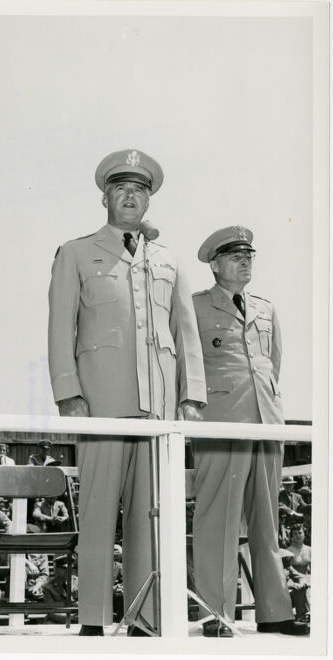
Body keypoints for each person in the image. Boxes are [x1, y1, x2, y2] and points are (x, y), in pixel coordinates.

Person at [48, 149, 206, 636]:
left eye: (139, 190)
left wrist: (192, 397)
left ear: (149, 199)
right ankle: (93, 620)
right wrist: (68, 394)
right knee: (97, 514)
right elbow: (60, 330)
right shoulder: (76, 252)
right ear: (105, 197)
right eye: (121, 189)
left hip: (158, 409)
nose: (130, 197)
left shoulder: (169, 259)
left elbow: (186, 333)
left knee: (151, 516)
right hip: (101, 404)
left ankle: (146, 619)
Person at [191, 226, 308, 636]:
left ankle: (275, 611)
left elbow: (273, 364)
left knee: (266, 520)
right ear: (215, 264)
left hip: (266, 420)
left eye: (249, 256)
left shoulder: (265, 307)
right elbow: (187, 366)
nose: (245, 262)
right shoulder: (194, 308)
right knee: (217, 519)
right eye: (235, 256)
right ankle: (215, 613)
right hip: (222, 421)